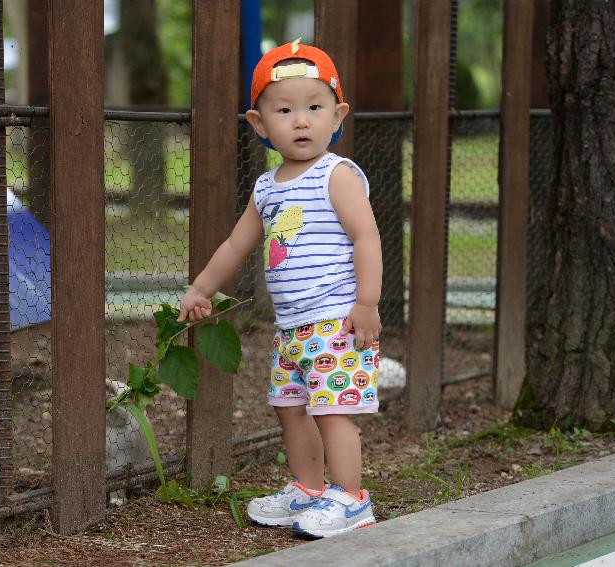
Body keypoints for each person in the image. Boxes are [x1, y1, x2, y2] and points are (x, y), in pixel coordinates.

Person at [177, 38, 383, 539]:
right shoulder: (267, 188)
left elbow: (366, 236)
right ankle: (309, 489)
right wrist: (200, 287)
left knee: (333, 412)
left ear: (338, 116)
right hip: (291, 327)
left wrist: (368, 302)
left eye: (314, 108)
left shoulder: (337, 175)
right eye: (285, 110)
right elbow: (235, 244)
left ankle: (353, 500)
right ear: (259, 124)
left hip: (338, 319)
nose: (301, 121)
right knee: (290, 407)